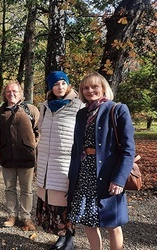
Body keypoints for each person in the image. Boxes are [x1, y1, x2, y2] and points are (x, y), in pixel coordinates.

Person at [67, 72, 136, 250]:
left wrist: (119, 179)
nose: (90, 90)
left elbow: (128, 149)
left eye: (94, 86)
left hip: (108, 173)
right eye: (86, 88)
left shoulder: (118, 109)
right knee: (88, 220)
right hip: (85, 173)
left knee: (113, 222)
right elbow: (76, 147)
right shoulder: (81, 114)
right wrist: (72, 175)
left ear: (103, 88)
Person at [35, 71, 84, 249]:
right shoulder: (45, 106)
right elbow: (41, 130)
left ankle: (69, 239)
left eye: (63, 83)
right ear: (51, 87)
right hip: (46, 163)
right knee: (53, 203)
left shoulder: (77, 105)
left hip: (66, 162)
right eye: (56, 84)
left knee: (66, 201)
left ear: (68, 84)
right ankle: (60, 237)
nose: (60, 87)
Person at [0, 81, 40, 231]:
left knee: (26, 189)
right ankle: (12, 215)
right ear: (4, 94)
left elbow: (39, 130)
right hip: (7, 156)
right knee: (9, 188)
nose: (11, 94)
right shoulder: (0, 112)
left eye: (14, 91)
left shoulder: (30, 109)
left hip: (26, 157)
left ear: (21, 93)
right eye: (8, 91)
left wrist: (32, 145)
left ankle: (26, 218)